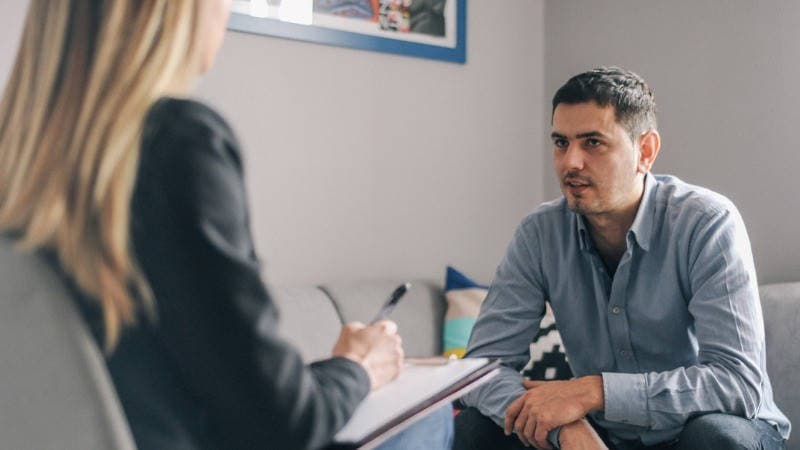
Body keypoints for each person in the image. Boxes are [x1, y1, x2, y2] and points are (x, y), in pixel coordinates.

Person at [0, 1, 452, 449]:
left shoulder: (20, 173)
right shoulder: (173, 146)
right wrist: (359, 366)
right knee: (428, 420)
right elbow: (282, 426)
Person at [454, 67, 789, 450]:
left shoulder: (707, 223)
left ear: (645, 151)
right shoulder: (540, 234)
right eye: (561, 143)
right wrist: (563, 428)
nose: (570, 162)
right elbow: (481, 369)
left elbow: (736, 383)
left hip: (702, 431)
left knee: (717, 438)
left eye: (593, 142)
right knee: (477, 428)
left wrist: (593, 392)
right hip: (602, 436)